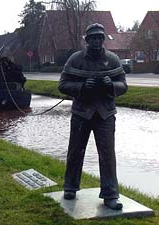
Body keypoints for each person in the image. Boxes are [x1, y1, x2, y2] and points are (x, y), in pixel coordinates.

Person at [58, 23, 128, 210]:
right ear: (87, 40)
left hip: (105, 113)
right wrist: (81, 87)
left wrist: (111, 86)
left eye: (99, 37)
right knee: (75, 151)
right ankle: (70, 186)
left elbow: (123, 84)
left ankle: (110, 194)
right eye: (93, 38)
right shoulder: (76, 59)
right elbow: (63, 84)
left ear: (103, 39)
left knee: (107, 154)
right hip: (82, 112)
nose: (97, 41)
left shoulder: (113, 59)